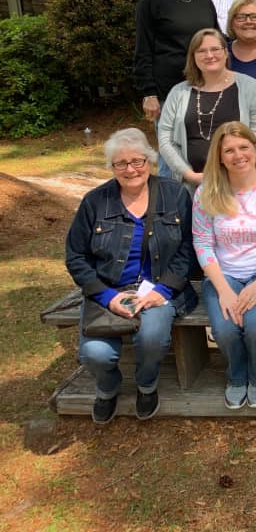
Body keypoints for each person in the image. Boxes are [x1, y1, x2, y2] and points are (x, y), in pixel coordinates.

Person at [66, 128, 194, 424]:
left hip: (160, 288)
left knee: (152, 337)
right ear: (112, 168)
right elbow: (75, 256)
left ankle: (146, 384)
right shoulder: (95, 201)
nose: (130, 169)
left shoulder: (175, 194)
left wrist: (164, 291)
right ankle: (108, 387)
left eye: (137, 161)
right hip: (109, 289)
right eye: (120, 163)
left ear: (149, 161)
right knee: (95, 354)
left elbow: (189, 248)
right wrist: (108, 297)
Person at [192, 122, 256, 410]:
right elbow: (203, 243)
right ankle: (237, 376)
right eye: (229, 150)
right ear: (219, 157)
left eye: (244, 147)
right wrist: (223, 289)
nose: (238, 155)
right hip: (224, 274)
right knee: (224, 328)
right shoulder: (206, 193)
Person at [133, 0, 218, 172]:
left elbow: (216, 40)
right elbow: (143, 48)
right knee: (172, 155)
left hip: (204, 88)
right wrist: (149, 93)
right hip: (167, 92)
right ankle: (169, 207)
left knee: (203, 150)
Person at [158, 28, 256, 189]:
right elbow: (165, 138)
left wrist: (234, 173)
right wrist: (188, 174)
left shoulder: (250, 87)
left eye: (215, 49)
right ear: (193, 57)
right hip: (194, 185)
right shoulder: (178, 92)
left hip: (243, 183)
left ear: (226, 52)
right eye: (202, 51)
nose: (209, 55)